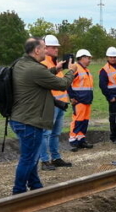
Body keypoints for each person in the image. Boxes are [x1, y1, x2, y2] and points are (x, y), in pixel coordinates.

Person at [10, 37, 75, 195]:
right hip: (30, 121)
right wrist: (72, 70)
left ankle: (35, 186)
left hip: (19, 118)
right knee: (28, 158)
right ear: (37, 50)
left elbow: (40, 76)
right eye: (44, 48)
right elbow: (61, 84)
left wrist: (56, 69)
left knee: (32, 156)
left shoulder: (20, 63)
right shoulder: (35, 69)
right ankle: (18, 192)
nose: (46, 51)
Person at [38, 35, 73, 171]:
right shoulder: (43, 63)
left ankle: (55, 158)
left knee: (55, 133)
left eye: (57, 47)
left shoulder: (54, 63)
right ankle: (45, 161)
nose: (56, 49)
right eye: (53, 47)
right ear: (45, 48)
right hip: (50, 104)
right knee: (46, 133)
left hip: (60, 103)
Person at [68, 49, 94, 150]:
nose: (89, 60)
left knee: (84, 121)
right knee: (77, 120)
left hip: (86, 100)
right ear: (82, 58)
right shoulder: (76, 68)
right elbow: (68, 83)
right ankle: (73, 140)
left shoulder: (86, 70)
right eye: (88, 58)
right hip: (79, 100)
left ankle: (81, 139)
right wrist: (72, 97)